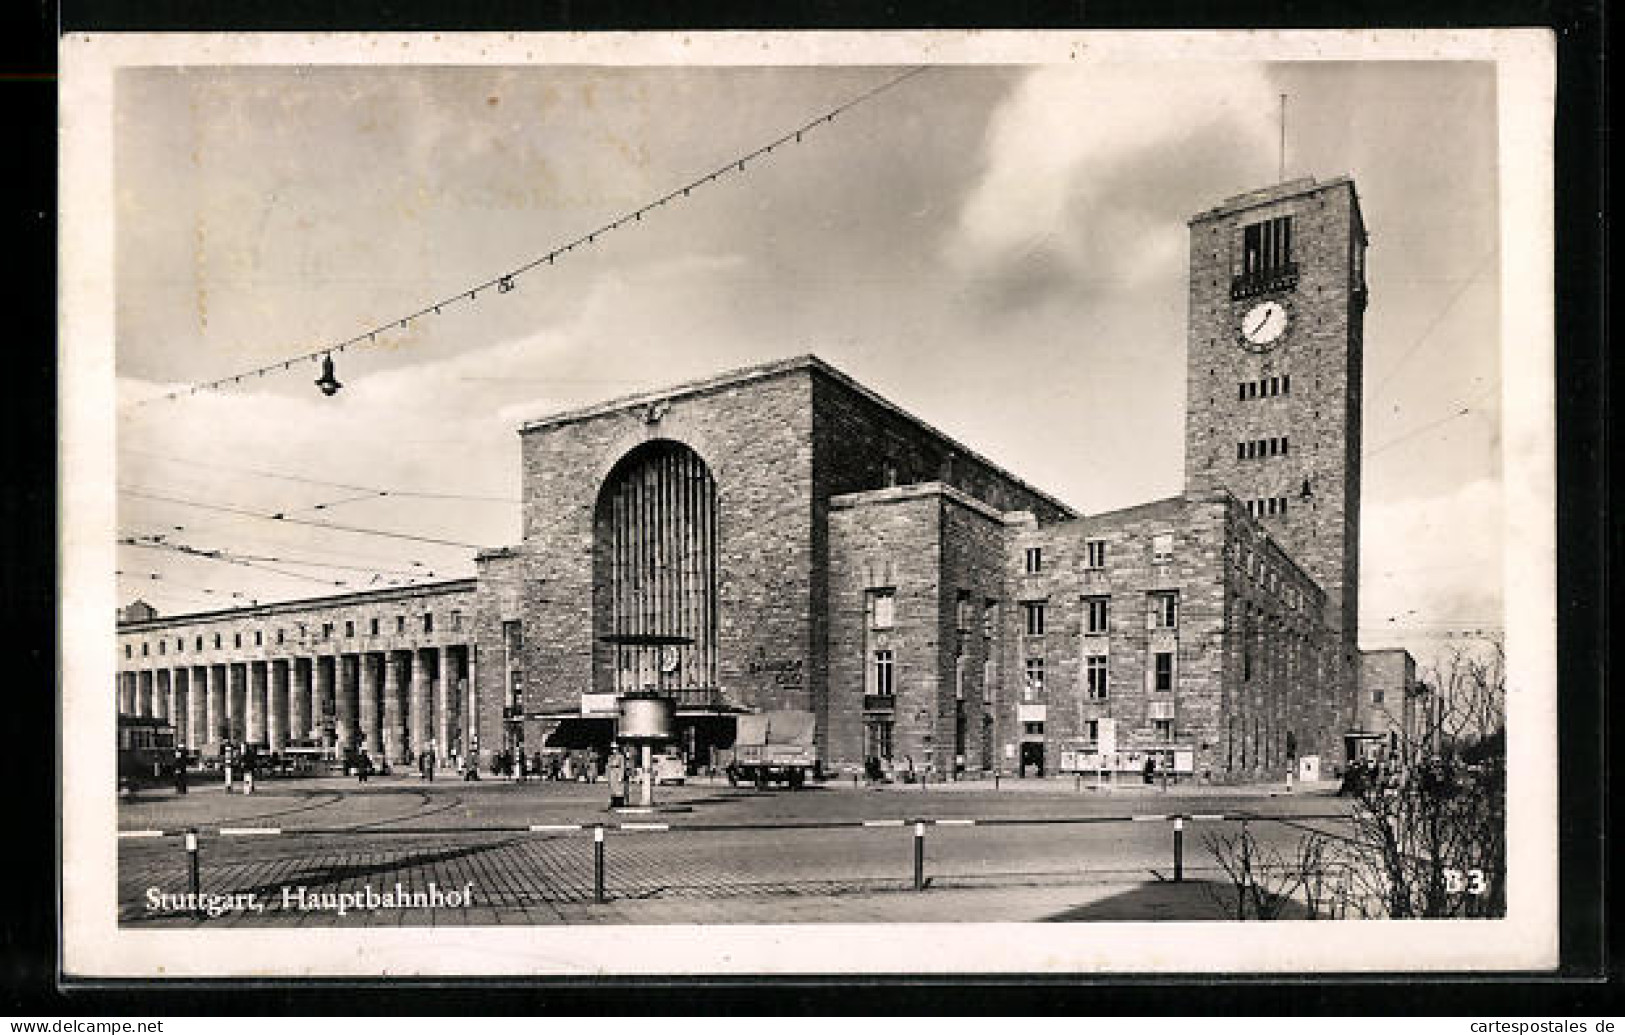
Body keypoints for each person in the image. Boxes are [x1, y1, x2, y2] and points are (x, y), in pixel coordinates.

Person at [606, 744, 628, 809]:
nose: (614, 750)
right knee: (613, 789)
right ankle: (614, 802)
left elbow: (622, 767)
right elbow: (608, 766)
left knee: (619, 789)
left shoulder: (621, 757)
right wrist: (607, 775)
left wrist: (621, 776)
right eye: (613, 749)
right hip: (612, 773)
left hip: (617, 772)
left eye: (615, 748)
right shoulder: (610, 757)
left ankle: (620, 803)